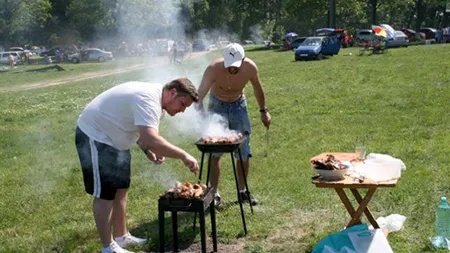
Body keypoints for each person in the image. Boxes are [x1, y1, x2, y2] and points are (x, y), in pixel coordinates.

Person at [75, 78, 200, 253]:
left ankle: (121, 237)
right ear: (172, 93)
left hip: (116, 140)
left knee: (121, 188)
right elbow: (152, 139)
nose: (182, 110)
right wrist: (183, 155)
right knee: (105, 194)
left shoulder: (158, 104)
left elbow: (138, 129)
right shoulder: (148, 99)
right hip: (96, 135)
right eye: (182, 104)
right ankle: (108, 247)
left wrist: (146, 149)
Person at [197, 43, 271, 207]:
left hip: (239, 105)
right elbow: (199, 96)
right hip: (217, 106)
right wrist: (203, 118)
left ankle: (242, 191)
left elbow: (257, 88)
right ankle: (214, 193)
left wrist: (263, 110)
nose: (232, 69)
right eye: (229, 66)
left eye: (236, 66)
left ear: (243, 60)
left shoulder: (250, 67)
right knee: (214, 152)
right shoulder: (213, 68)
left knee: (244, 151)